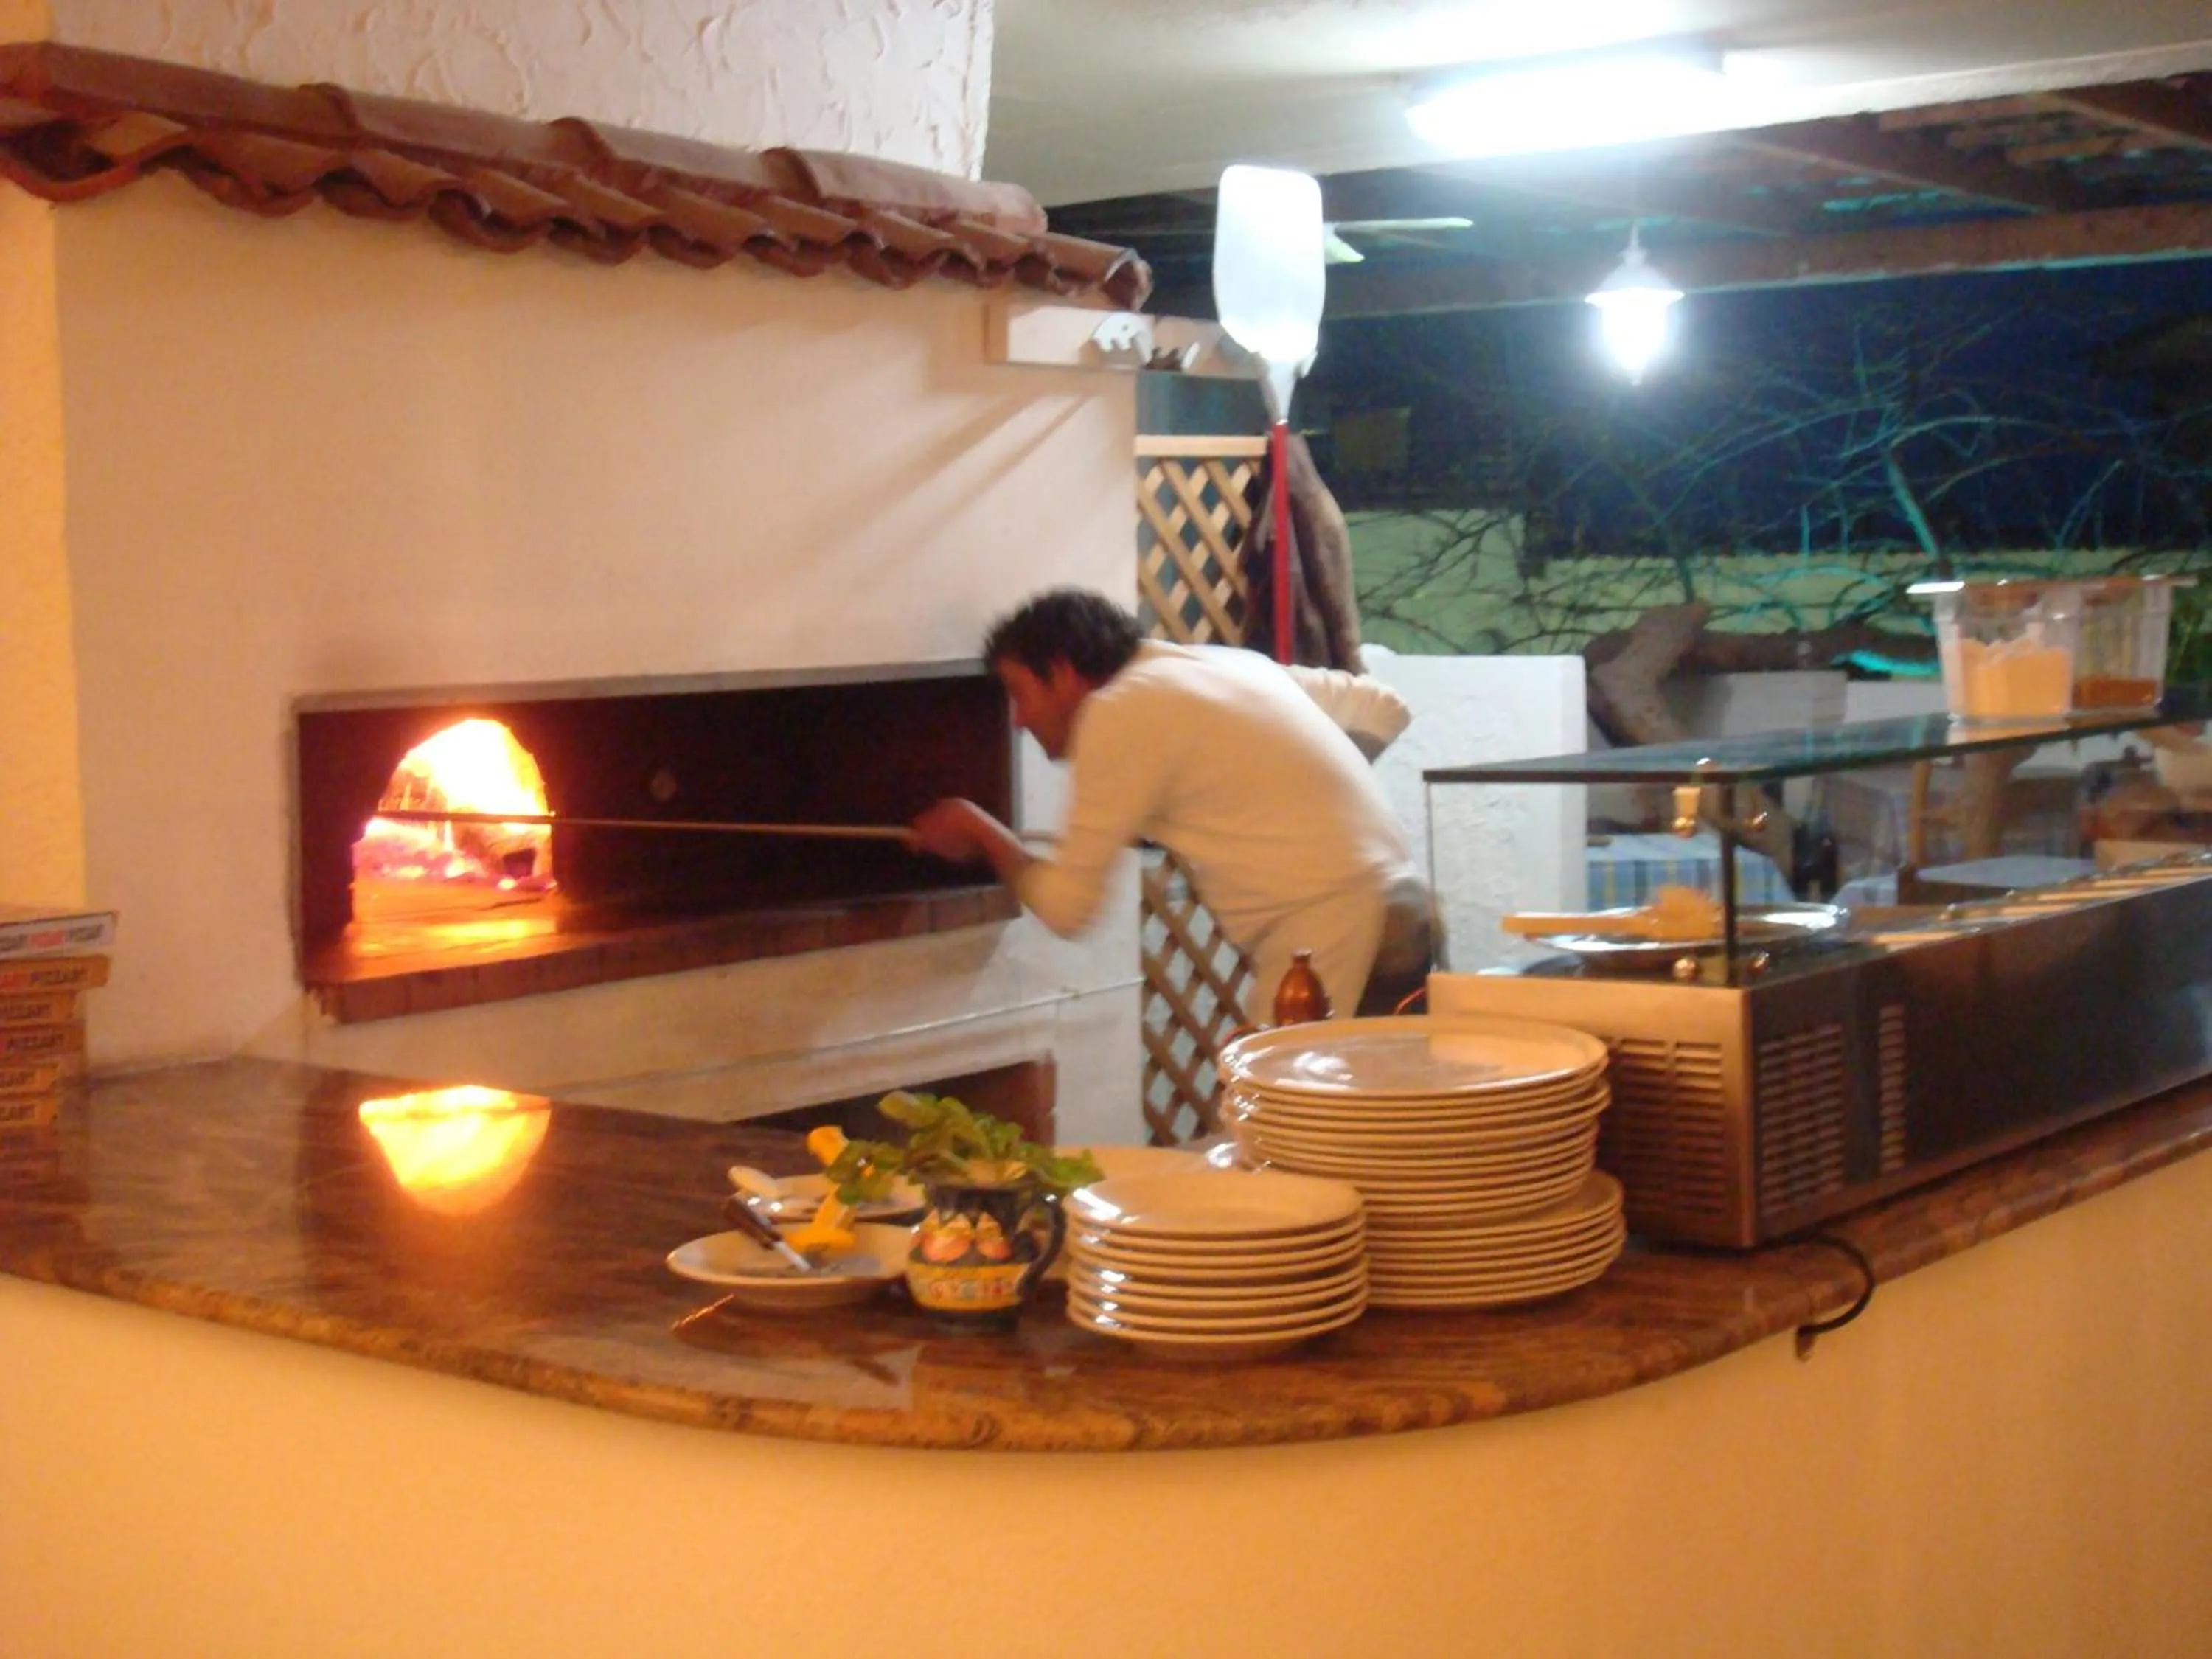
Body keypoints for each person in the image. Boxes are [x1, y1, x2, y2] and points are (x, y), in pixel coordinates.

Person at [909, 588, 1433, 1020]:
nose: (1018, 720)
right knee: (1396, 1122)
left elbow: (1069, 910)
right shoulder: (1225, 666)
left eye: (1020, 693)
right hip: (1402, 903)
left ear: (1064, 672)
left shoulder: (1116, 713)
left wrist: (984, 835)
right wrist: (1286, 799)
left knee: (1280, 1127)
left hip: (1330, 933)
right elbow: (1382, 707)